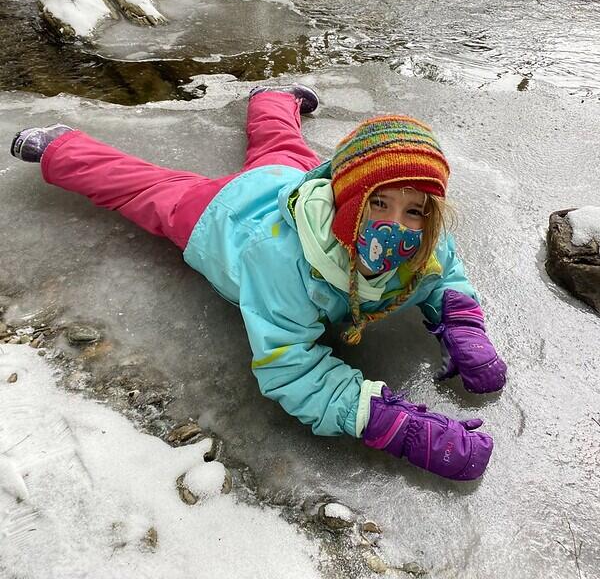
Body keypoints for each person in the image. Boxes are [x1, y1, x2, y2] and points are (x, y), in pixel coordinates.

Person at [10, 84, 506, 481]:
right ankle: (62, 146)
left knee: (282, 148)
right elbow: (289, 367)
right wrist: (393, 426)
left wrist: (464, 323)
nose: (397, 224)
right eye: (379, 203)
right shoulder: (281, 265)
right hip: (228, 218)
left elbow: (446, 274)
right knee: (146, 189)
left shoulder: (424, 242)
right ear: (348, 200)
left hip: (290, 182)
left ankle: (272, 98)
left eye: (414, 210)